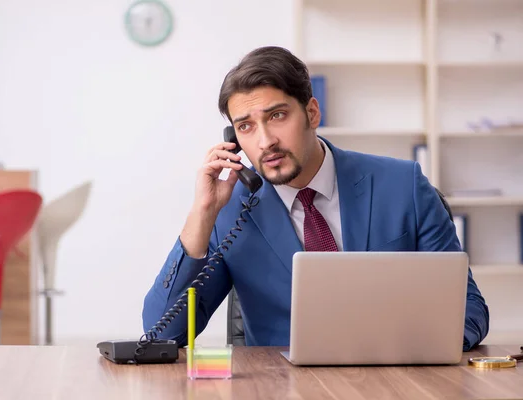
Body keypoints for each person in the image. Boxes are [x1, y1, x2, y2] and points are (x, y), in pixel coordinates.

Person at [142, 46, 489, 351]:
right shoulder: (230, 210)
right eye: (246, 126)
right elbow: (161, 335)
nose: (265, 141)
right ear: (233, 138)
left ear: (311, 113)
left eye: (277, 116)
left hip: (396, 381)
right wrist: (202, 213)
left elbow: (469, 310)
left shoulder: (404, 185)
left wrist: (408, 349)